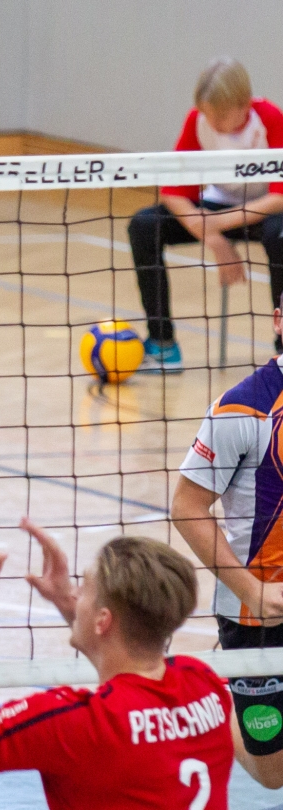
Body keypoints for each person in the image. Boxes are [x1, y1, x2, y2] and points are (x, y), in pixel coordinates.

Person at [0, 523, 232, 810]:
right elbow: (126, 667)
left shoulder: (75, 725)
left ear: (103, 620)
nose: (76, 596)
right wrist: (73, 608)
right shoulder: (203, 684)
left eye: (85, 590)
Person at [171, 307, 283, 790]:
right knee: (273, 773)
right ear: (278, 321)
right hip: (256, 613)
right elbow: (187, 508)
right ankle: (215, 704)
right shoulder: (242, 407)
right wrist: (253, 592)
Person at [130, 56, 283, 372]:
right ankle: (162, 344)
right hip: (217, 206)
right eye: (206, 114)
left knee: (280, 237)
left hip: (266, 210)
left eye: (221, 116)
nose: (211, 122)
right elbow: (173, 192)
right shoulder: (198, 120)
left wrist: (218, 224)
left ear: (243, 105)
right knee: (144, 226)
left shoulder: (270, 119)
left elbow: (279, 197)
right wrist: (212, 237)